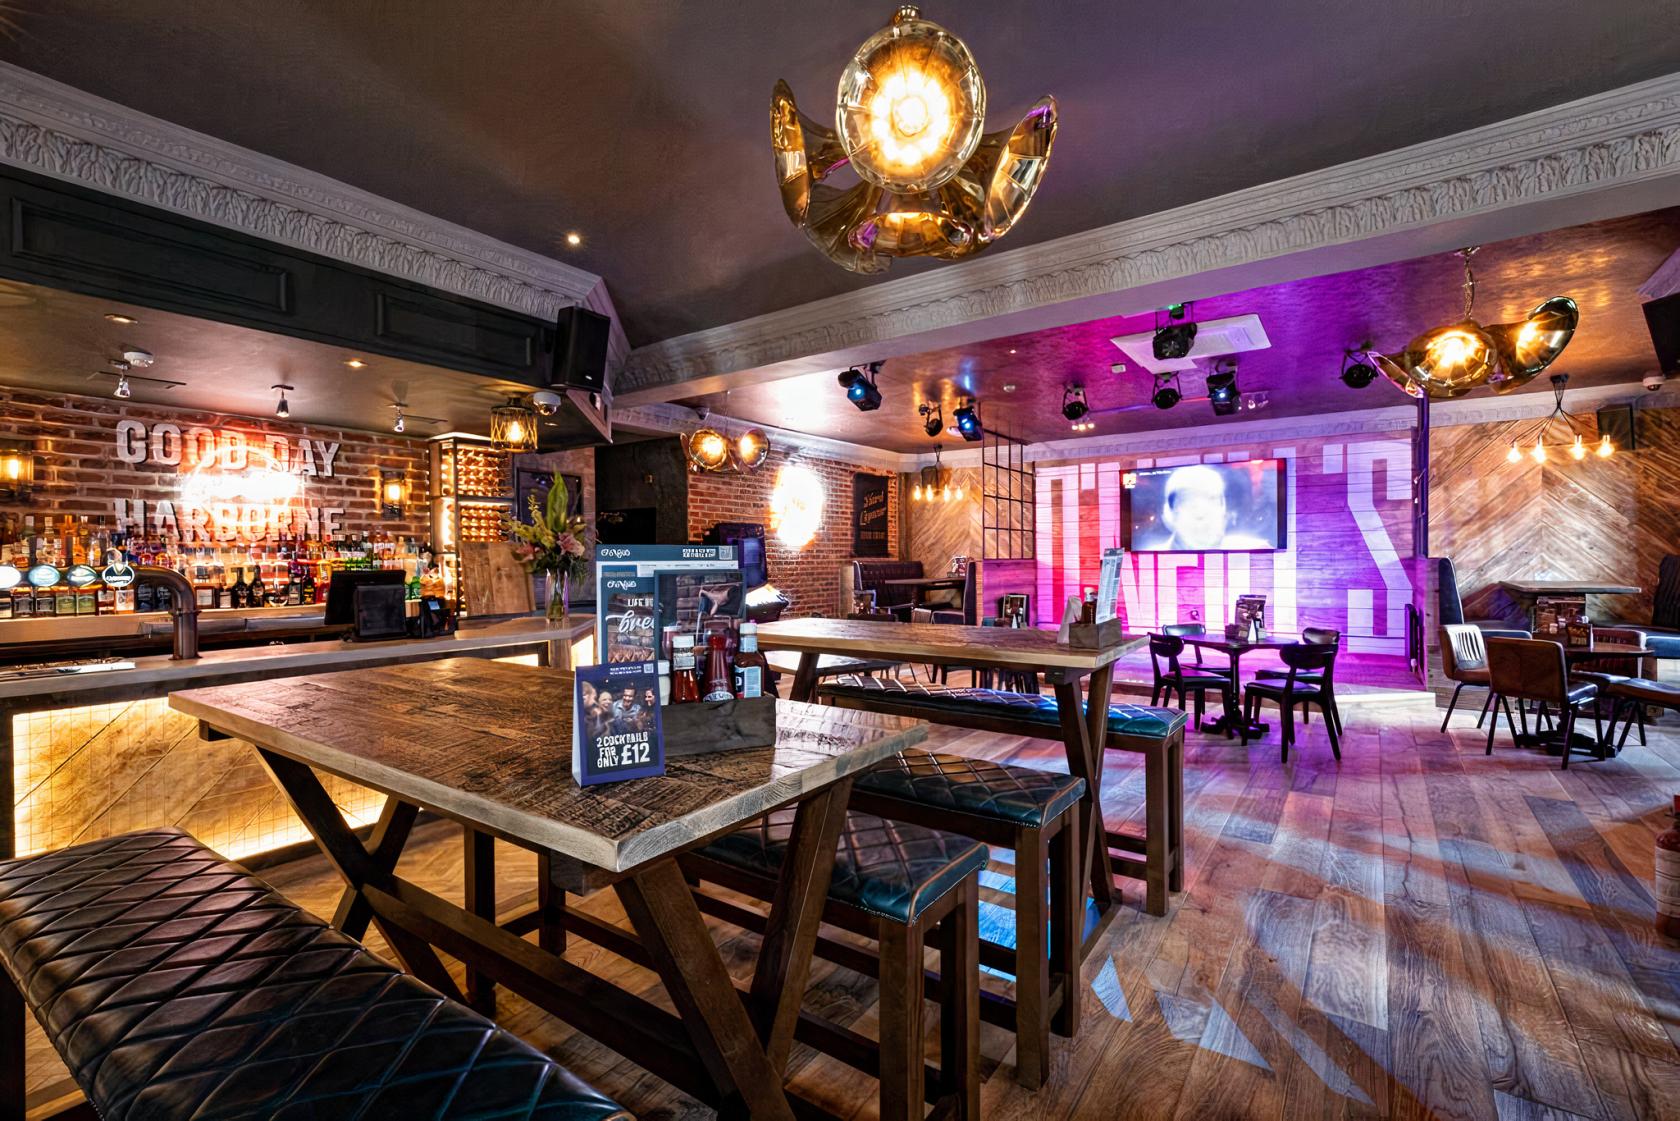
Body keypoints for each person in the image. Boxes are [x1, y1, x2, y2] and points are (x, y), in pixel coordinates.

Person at [1137, 464, 1271, 551]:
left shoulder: (1256, 549)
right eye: (1190, 502)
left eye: (1212, 500)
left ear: (1223, 509)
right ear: (1169, 514)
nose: (1202, 512)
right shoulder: (1149, 555)